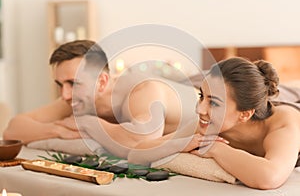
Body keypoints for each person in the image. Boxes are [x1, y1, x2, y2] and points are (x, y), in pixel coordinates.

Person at [3, 40, 199, 162]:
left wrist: (88, 123)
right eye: (60, 84)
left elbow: (141, 143)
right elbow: (14, 128)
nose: (64, 95)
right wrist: (58, 130)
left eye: (73, 83)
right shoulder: (76, 96)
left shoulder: (144, 90)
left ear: (102, 82)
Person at [186, 57, 300, 189]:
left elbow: (269, 177)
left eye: (213, 103)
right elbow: (163, 145)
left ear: (245, 114)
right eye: (201, 96)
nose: (199, 109)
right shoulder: (216, 123)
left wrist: (215, 148)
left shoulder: (283, 123)